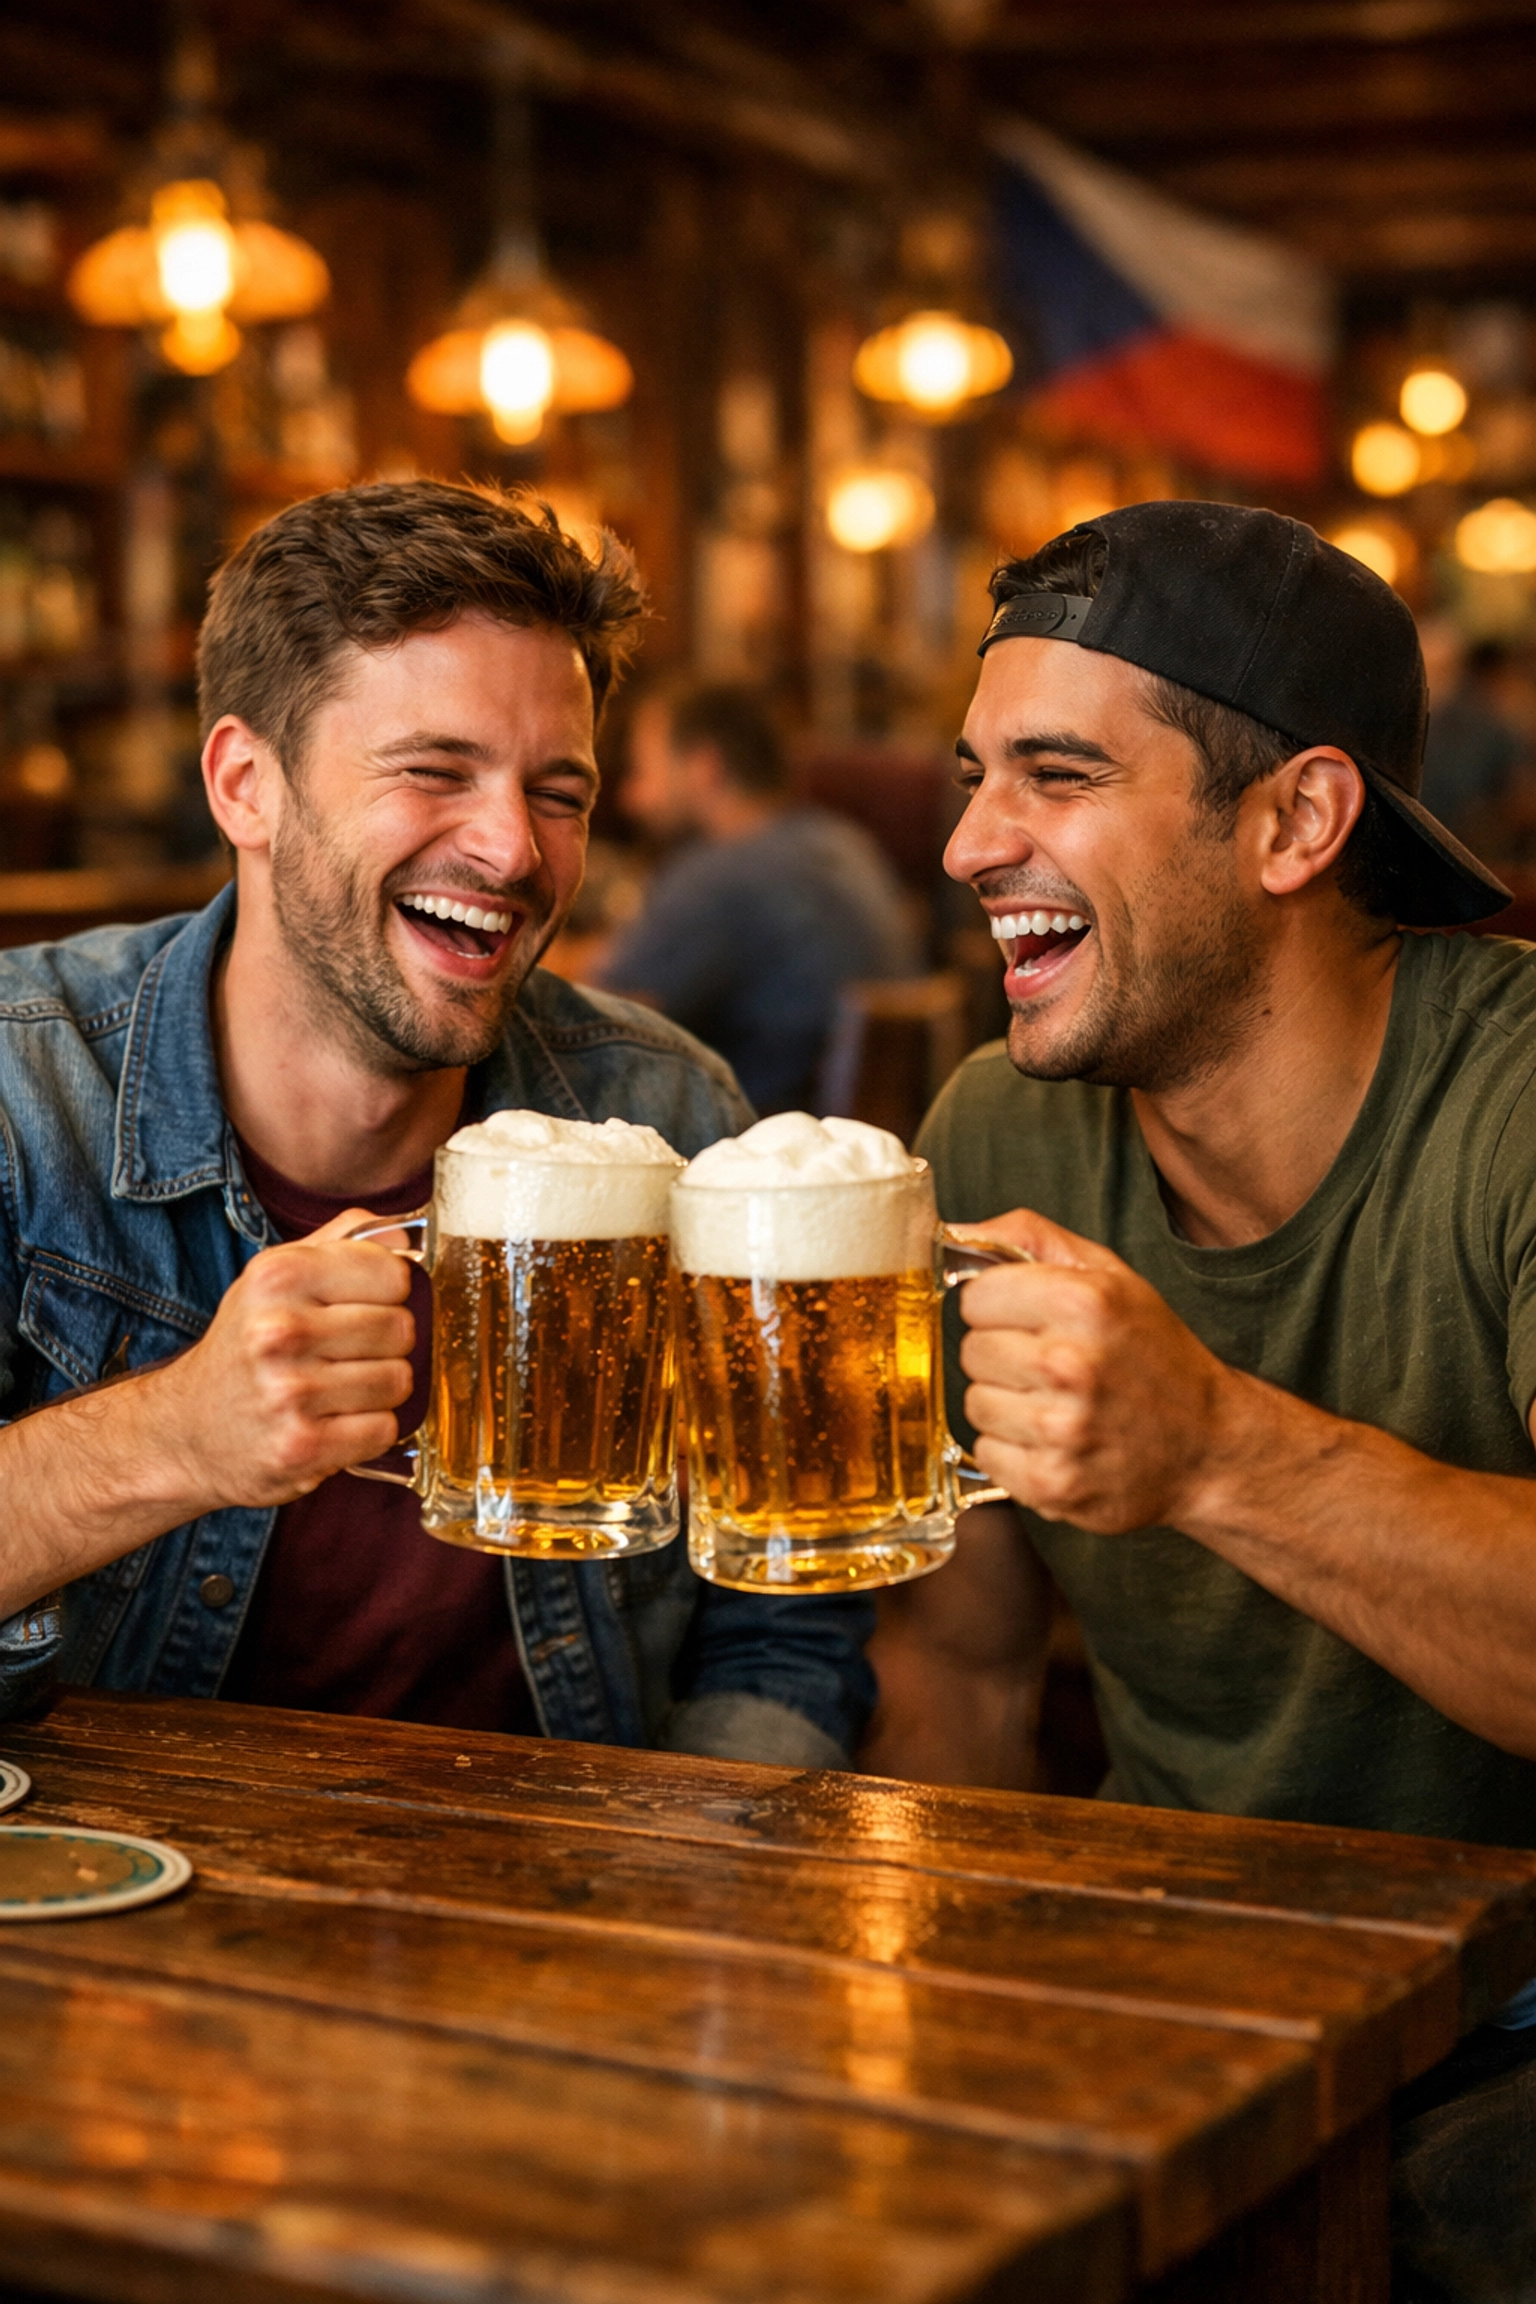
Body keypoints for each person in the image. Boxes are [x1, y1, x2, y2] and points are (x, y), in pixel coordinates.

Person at [863, 502, 1536, 2297]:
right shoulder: (992, 1132)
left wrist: (1218, 1446)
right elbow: (962, 1667)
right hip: (1180, 1981)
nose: (967, 841)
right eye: (972, 774)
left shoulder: (1514, 1103)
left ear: (1297, 821)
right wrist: (926, 2033)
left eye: (1057, 774)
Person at [0, 480, 872, 1772]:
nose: (515, 850)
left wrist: (691, 1904)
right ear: (247, 784)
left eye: (560, 792)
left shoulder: (671, 1118)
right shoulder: (28, 1095)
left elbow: (783, 1639)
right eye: (436, 772)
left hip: (566, 1928)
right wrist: (177, 1433)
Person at [599, 681, 920, 1113]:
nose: (631, 798)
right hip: (850, 1146)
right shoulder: (843, 841)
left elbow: (606, 1013)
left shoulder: (716, 875)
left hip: (761, 1142)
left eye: (643, 769)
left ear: (704, 767)